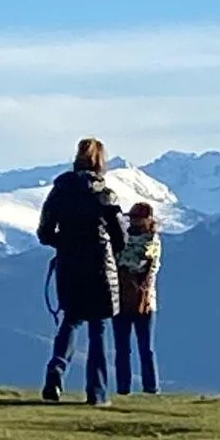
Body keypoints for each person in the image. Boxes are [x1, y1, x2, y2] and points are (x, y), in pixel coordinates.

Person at [38, 137, 127, 405]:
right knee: (98, 327)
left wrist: (64, 244)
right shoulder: (105, 194)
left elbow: (44, 233)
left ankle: (55, 373)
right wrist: (111, 252)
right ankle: (97, 393)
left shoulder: (59, 191)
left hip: (69, 265)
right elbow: (120, 235)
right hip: (100, 267)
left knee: (70, 321)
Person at [113, 201, 162, 395]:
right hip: (128, 299)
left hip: (143, 301)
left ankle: (150, 387)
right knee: (123, 348)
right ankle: (125, 388)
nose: (134, 221)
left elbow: (136, 261)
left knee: (144, 348)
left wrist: (120, 261)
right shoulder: (125, 238)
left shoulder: (151, 242)